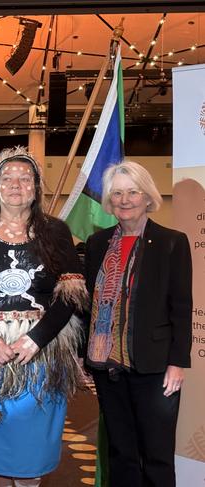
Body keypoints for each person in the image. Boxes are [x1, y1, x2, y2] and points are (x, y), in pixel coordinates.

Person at [0, 147, 87, 487]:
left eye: (25, 179)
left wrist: (36, 339)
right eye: (7, 178)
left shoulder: (56, 232)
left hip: (38, 353)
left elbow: (70, 295)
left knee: (31, 444)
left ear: (36, 188)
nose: (15, 185)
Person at [83, 160, 192, 487]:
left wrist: (178, 362)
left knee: (156, 454)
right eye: (118, 193)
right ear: (109, 201)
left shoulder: (172, 242)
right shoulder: (97, 243)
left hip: (155, 367)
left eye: (133, 192)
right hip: (108, 368)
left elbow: (182, 307)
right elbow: (90, 303)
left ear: (148, 197)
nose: (125, 199)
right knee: (121, 451)